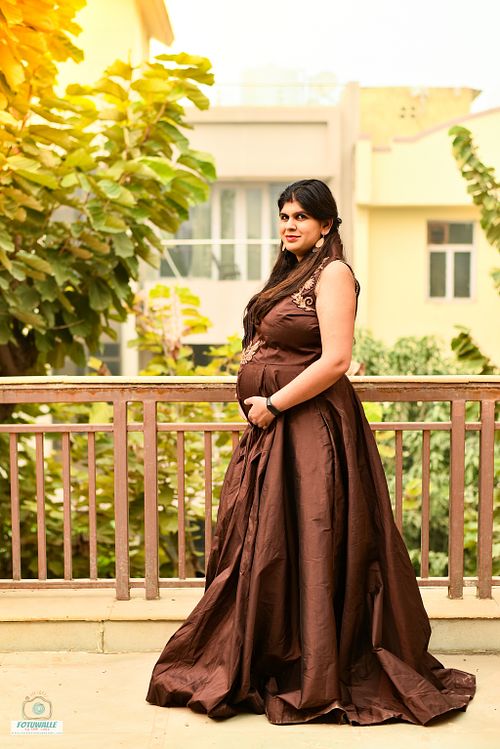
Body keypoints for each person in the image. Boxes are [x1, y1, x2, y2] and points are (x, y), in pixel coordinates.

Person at [146, 179, 476, 725]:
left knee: (314, 541)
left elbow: (337, 359)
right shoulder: (293, 274)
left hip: (310, 431)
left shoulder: (334, 273)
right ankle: (272, 657)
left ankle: (319, 667)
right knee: (271, 544)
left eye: (301, 216)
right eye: (284, 216)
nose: (289, 225)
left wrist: (274, 403)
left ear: (326, 224)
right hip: (277, 431)